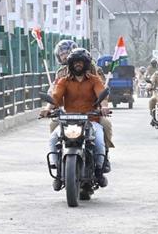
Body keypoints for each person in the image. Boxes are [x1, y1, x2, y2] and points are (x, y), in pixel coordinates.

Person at [42, 47, 109, 188]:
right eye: (75, 62)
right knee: (54, 138)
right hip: (68, 120)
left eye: (81, 62)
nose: (78, 64)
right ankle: (58, 171)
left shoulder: (94, 80)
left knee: (98, 141)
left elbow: (101, 94)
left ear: (86, 64)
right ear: (70, 64)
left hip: (91, 119)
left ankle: (99, 171)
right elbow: (55, 97)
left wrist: (103, 107)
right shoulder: (63, 81)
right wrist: (47, 109)